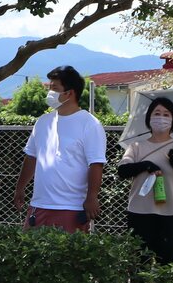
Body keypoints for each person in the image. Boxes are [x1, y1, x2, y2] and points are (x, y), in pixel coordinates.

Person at [12, 65, 105, 232]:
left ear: (69, 93)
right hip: (38, 205)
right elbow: (31, 157)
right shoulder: (42, 121)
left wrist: (92, 197)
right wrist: (20, 188)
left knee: (66, 257)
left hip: (71, 207)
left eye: (54, 88)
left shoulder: (90, 124)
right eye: (49, 87)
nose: (50, 92)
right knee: (31, 255)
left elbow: (96, 164)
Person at [117, 96, 173, 262]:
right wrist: (146, 165)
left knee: (168, 267)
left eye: (166, 114)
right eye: (156, 113)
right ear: (149, 118)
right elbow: (122, 171)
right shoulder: (136, 146)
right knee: (138, 267)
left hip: (170, 215)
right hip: (139, 214)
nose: (161, 118)